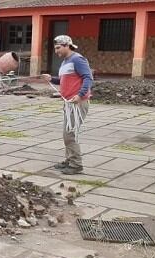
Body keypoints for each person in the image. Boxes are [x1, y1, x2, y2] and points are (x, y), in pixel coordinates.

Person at [42, 35, 92, 175]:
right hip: (69, 103)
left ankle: (76, 164)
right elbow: (64, 81)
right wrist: (52, 79)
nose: (56, 51)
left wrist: (80, 95)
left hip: (78, 103)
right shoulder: (65, 62)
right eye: (55, 48)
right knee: (67, 133)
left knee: (69, 135)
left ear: (67, 45)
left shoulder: (78, 59)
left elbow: (88, 78)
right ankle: (69, 160)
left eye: (58, 48)